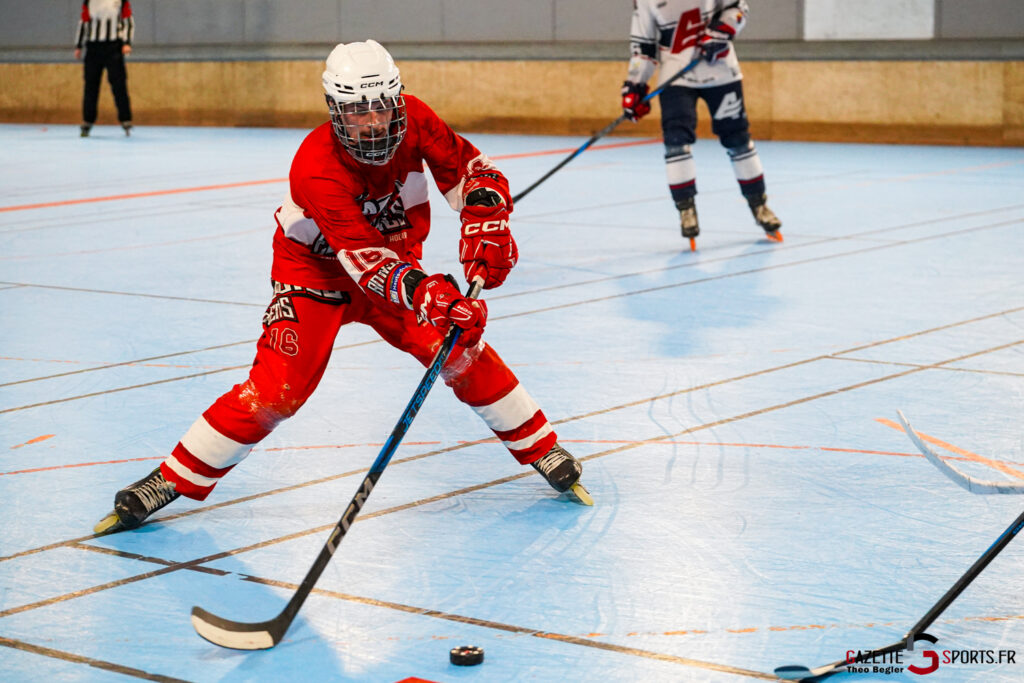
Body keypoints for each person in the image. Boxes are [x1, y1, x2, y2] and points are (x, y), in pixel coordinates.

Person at [95, 40, 590, 534]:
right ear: (335, 111)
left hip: (396, 265)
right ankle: (170, 479)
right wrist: (431, 295)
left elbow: (469, 170)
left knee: (459, 348)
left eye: (381, 107)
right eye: (356, 112)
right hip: (315, 275)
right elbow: (365, 262)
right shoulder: (315, 164)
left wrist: (486, 216)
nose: (372, 123)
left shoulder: (418, 119)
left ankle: (542, 448)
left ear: (397, 100)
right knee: (277, 392)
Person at [621, 0, 782, 248]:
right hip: (676, 78)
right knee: (676, 142)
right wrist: (635, 85)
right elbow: (643, 45)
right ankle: (686, 209)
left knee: (738, 140)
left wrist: (724, 28)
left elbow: (739, 8)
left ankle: (759, 205)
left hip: (722, 73)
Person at [75, 0, 134, 137]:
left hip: (113, 46)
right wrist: (78, 45)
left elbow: (128, 21)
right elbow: (84, 22)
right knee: (90, 85)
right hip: (93, 47)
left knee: (119, 84)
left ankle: (125, 119)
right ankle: (87, 121)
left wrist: (127, 43)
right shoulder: (89, 1)